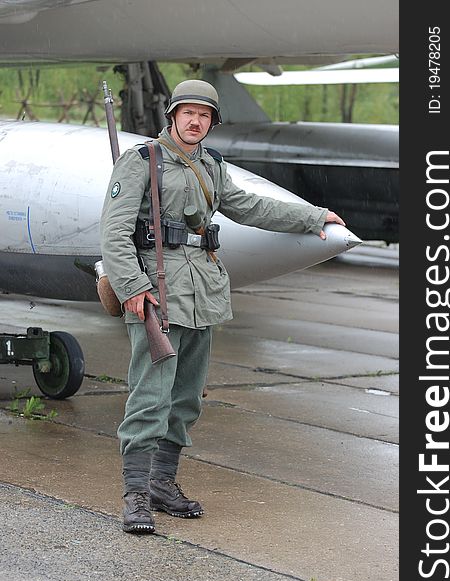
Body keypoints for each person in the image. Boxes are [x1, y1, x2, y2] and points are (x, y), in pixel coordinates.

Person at [100, 79, 346, 534]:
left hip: (203, 292)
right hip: (158, 292)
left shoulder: (211, 165)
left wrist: (313, 216)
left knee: (187, 396)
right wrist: (132, 286)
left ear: (212, 122)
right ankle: (135, 495)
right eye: (187, 112)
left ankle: (162, 483)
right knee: (150, 397)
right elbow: (113, 232)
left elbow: (249, 207)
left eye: (205, 115)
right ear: (171, 116)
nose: (195, 121)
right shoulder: (140, 162)